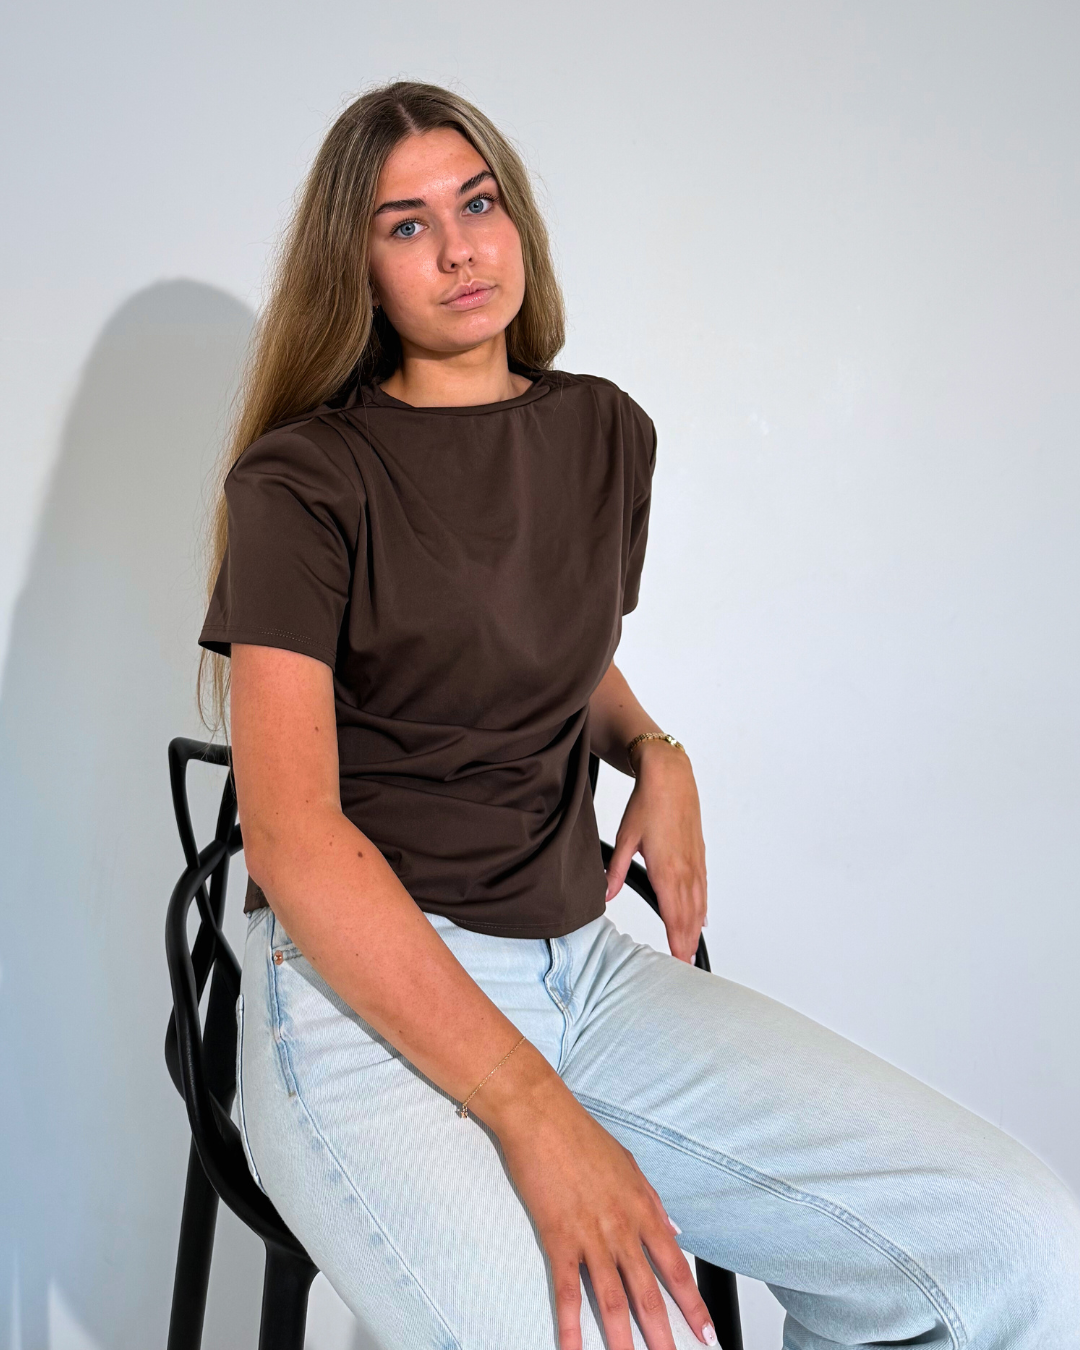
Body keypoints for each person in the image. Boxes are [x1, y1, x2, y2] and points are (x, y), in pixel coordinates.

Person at [198, 81, 1080, 1350]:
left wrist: (650, 745)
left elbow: (532, 644)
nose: (459, 249)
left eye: (478, 203)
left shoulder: (602, 432)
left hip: (584, 974)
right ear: (360, 269)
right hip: (363, 996)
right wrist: (534, 1114)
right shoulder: (305, 480)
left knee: (1012, 1248)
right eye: (407, 225)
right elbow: (293, 839)